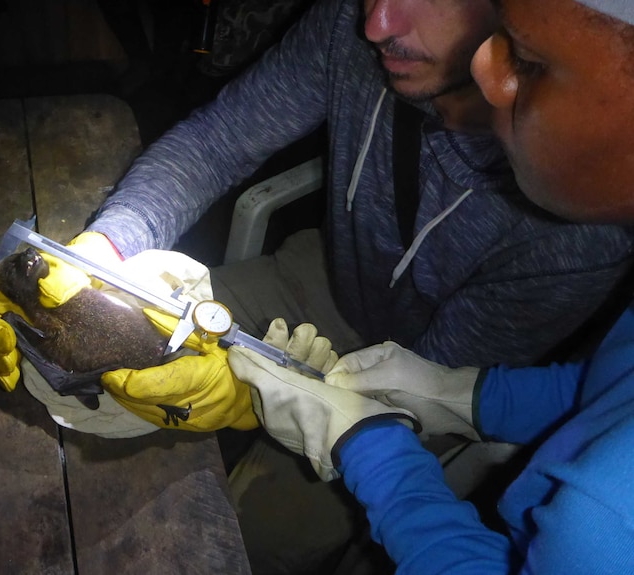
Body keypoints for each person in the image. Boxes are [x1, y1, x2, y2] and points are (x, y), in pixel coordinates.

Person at [0, 0, 634, 571]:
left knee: (227, 538)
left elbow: (433, 386)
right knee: (76, 371)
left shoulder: (583, 219)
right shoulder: (352, 28)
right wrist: (104, 247)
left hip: (434, 358)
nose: (376, 22)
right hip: (319, 278)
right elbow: (220, 139)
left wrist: (295, 412)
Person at [228, 0, 634, 572]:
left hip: (418, 416)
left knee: (247, 535)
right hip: (334, 288)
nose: (488, 73)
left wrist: (369, 444)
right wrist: (466, 396)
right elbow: (610, 388)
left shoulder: (605, 520)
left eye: (531, 61)